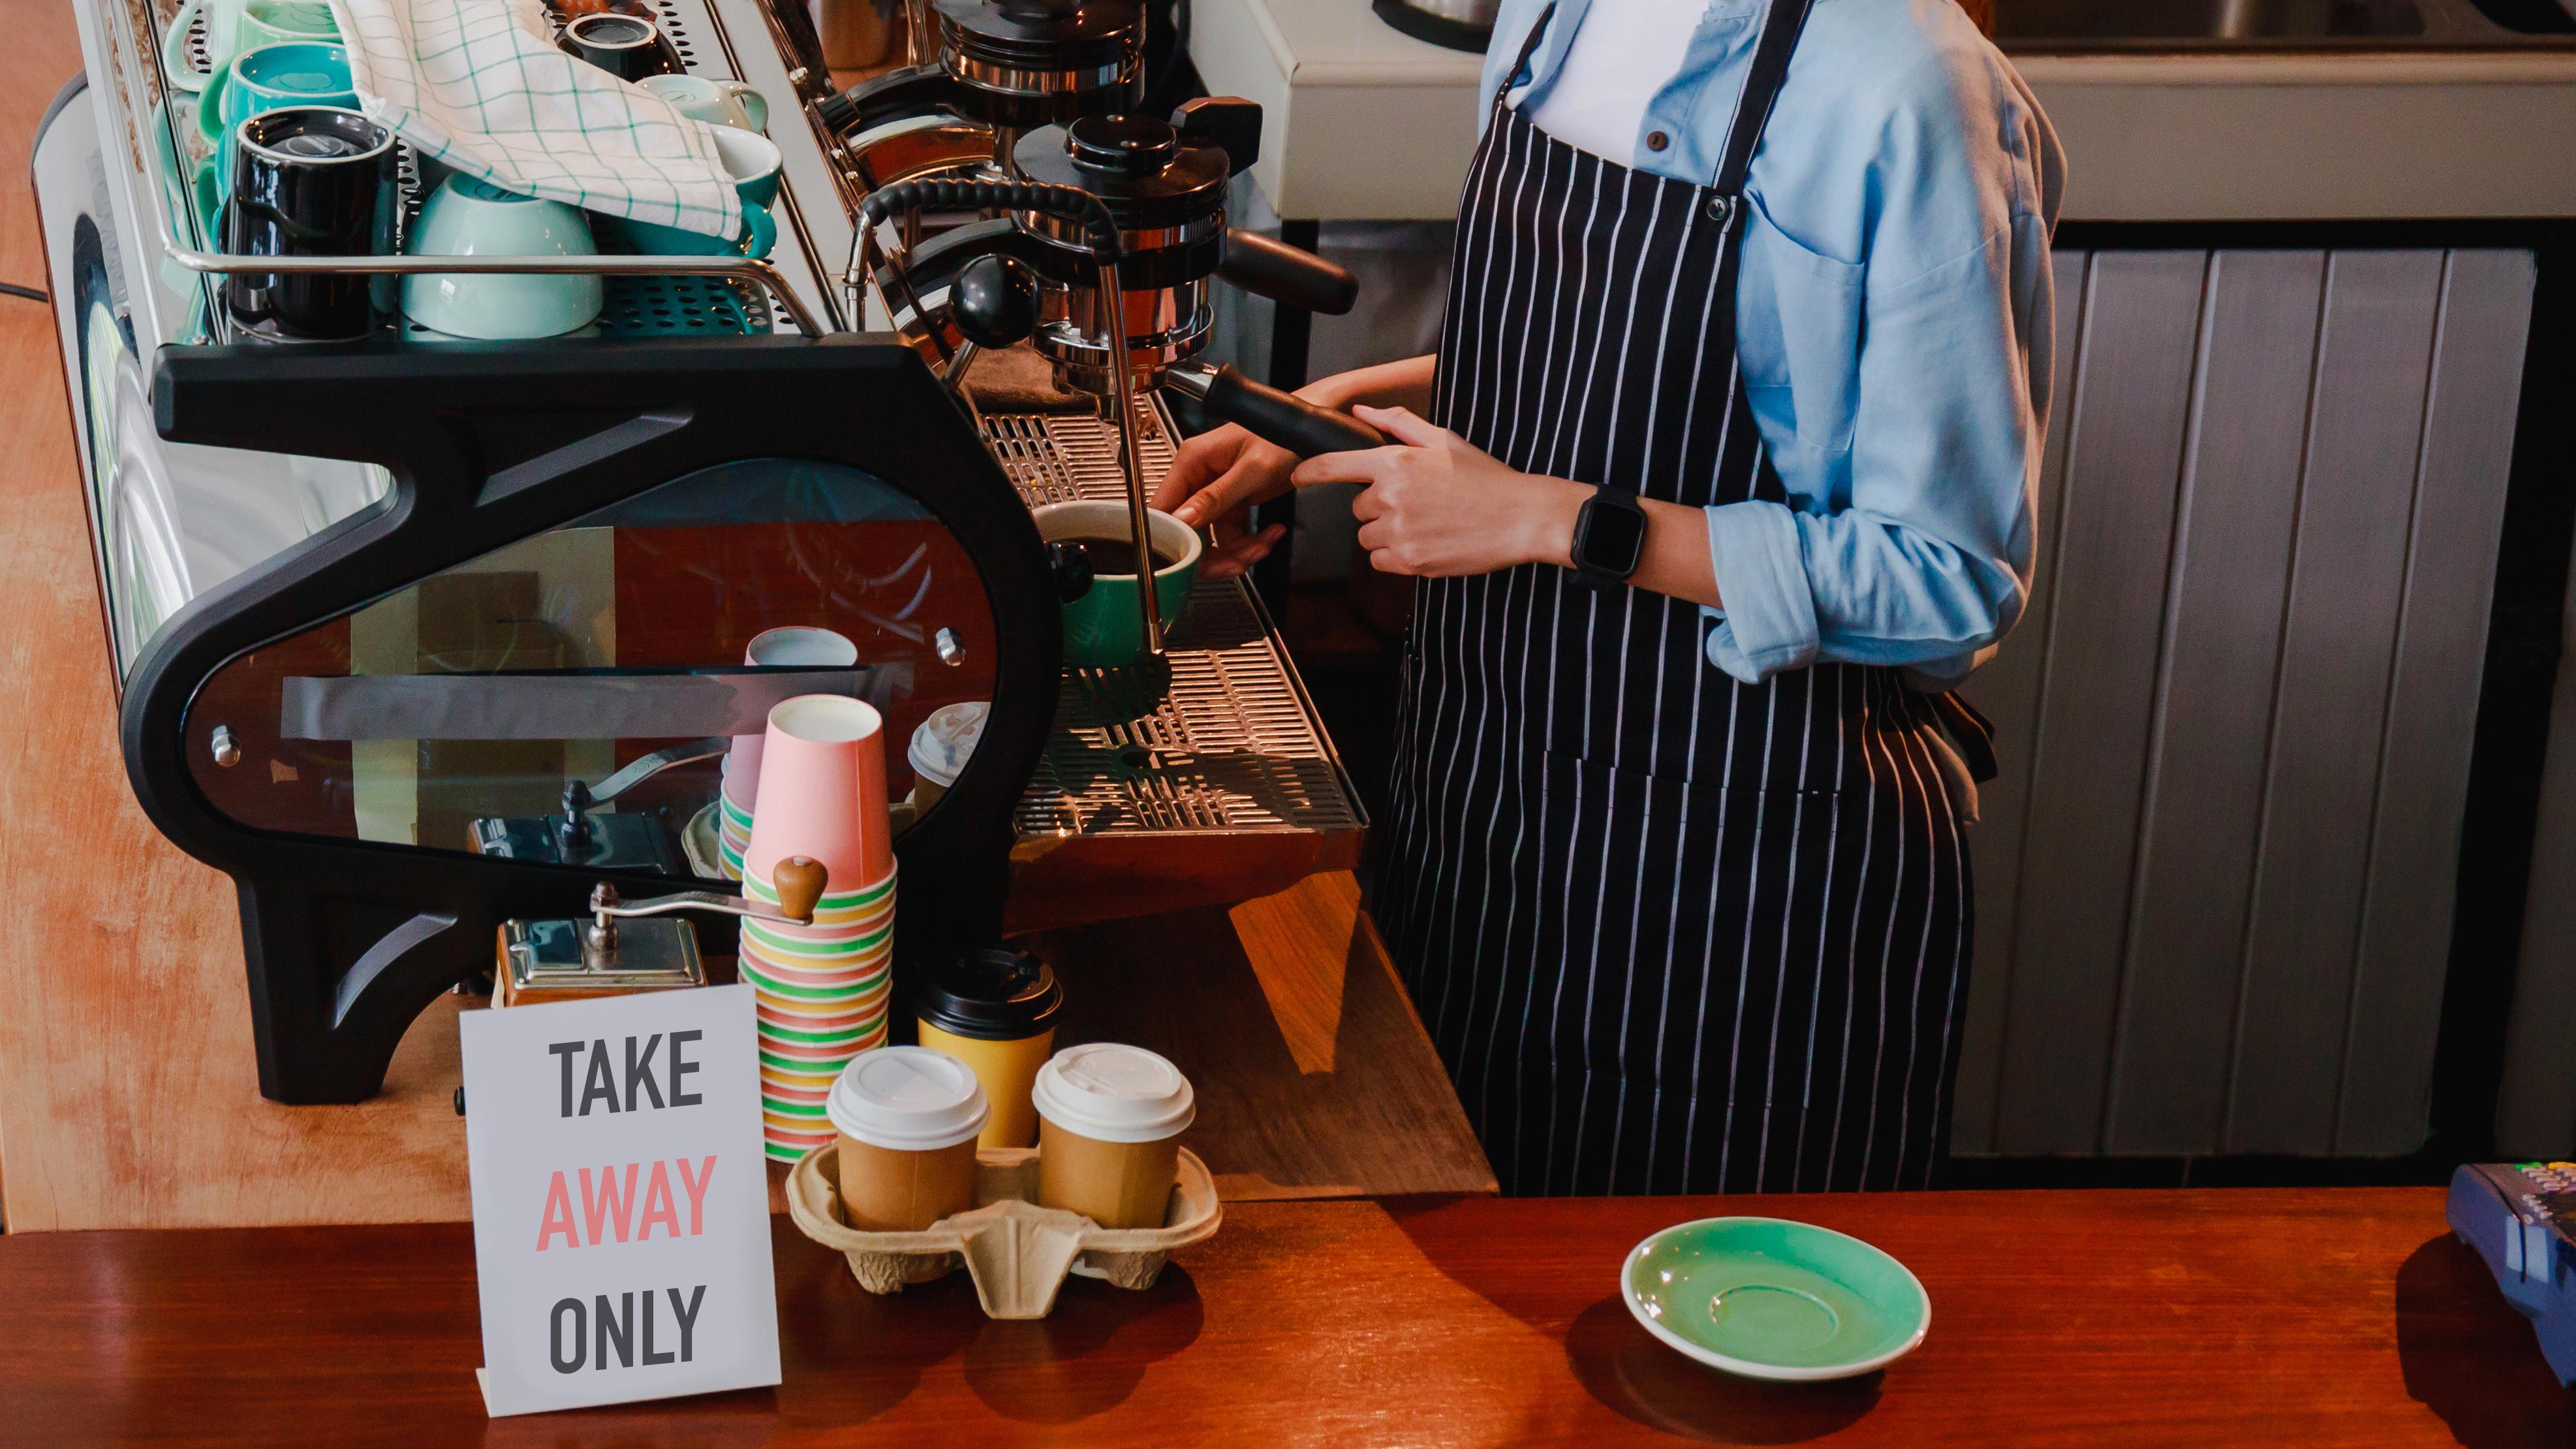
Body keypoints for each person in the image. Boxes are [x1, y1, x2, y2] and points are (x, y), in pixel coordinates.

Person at [1154, 0, 2062, 1194]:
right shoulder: (1555, 12)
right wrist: (1334, 423)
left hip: (1736, 911)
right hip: (1482, 825)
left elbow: (1949, 580)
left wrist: (1552, 520)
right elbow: (1568, 360)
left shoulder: (1905, 82)